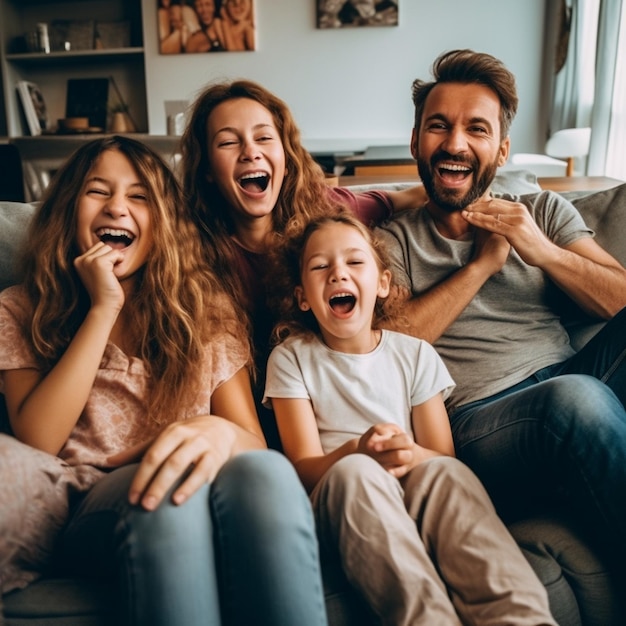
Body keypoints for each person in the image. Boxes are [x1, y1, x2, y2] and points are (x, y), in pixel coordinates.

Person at [0, 135, 328, 626]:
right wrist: (102, 307)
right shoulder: (20, 307)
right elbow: (38, 439)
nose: (117, 207)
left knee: (268, 473)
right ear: (69, 210)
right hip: (85, 497)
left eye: (139, 197)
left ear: (162, 223)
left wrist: (217, 430)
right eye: (98, 191)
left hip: (202, 483)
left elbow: (252, 445)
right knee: (171, 489)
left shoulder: (206, 309)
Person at [375, 49, 626, 563]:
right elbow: (394, 342)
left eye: (476, 129)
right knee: (575, 400)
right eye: (438, 126)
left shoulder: (543, 211)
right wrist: (481, 267)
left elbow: (619, 300)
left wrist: (544, 252)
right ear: (416, 142)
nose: (455, 144)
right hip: (483, 420)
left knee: (579, 397)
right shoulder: (390, 241)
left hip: (578, 379)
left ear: (502, 149)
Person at [263, 211, 556, 625]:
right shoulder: (292, 358)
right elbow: (304, 469)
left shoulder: (414, 354)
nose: (338, 274)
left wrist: (405, 453)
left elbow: (441, 456)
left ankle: (519, 618)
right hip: (341, 494)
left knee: (449, 476)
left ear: (382, 284)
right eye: (320, 266)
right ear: (303, 297)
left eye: (354, 261)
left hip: (412, 480)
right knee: (358, 474)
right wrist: (356, 451)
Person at [180, 78, 426, 447]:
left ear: (285, 153)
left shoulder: (325, 213)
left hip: (326, 410)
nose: (250, 152)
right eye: (229, 142)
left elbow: (402, 198)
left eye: (264, 138)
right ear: (207, 171)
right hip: (250, 417)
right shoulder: (189, 248)